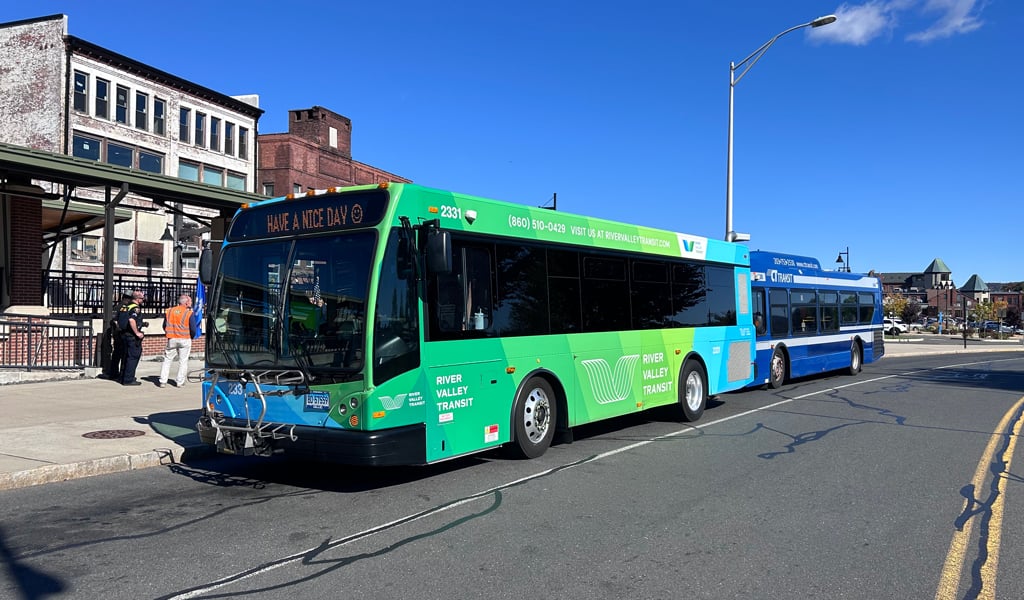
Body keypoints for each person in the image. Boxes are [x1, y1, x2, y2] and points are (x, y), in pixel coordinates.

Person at [158, 294, 195, 388]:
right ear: (186, 302)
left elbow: (164, 325)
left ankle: (163, 381)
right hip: (185, 339)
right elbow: (193, 328)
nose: (191, 303)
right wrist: (192, 336)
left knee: (167, 359)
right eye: (190, 301)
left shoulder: (170, 311)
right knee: (183, 361)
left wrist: (169, 333)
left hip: (172, 338)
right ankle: (180, 382)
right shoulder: (189, 313)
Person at [102, 291, 134, 380]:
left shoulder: (118, 307)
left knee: (117, 354)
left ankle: (114, 373)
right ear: (126, 299)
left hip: (117, 334)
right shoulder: (121, 307)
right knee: (122, 355)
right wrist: (120, 329)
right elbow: (115, 321)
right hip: (120, 334)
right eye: (130, 299)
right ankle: (118, 374)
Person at [119, 290, 146, 386]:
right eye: (142, 298)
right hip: (132, 336)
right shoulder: (135, 308)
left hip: (124, 334)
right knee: (133, 357)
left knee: (126, 357)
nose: (143, 300)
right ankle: (129, 379)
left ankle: (124, 376)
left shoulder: (126, 306)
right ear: (137, 299)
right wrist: (137, 333)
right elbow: (131, 320)